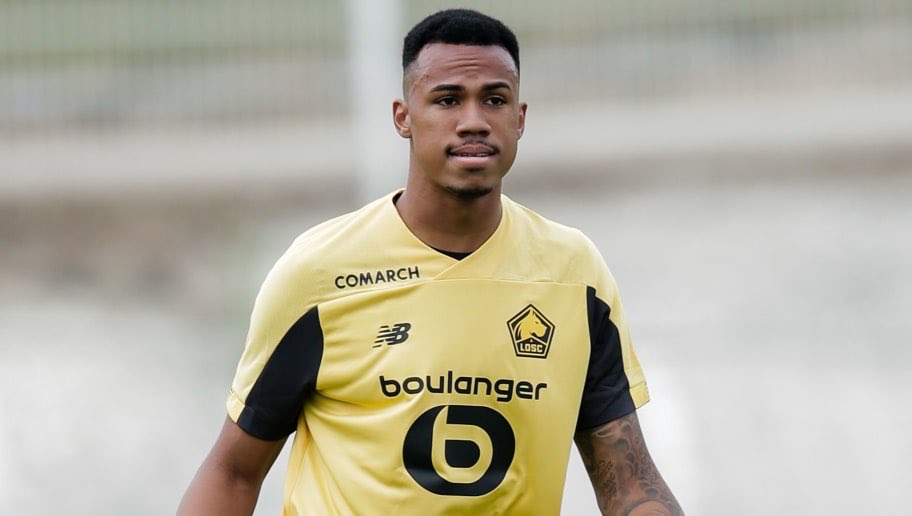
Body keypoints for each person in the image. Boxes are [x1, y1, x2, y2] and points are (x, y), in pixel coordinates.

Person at [178, 8, 682, 516]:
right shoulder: (318, 275)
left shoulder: (574, 274)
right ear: (403, 117)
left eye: (495, 100)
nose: (474, 121)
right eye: (447, 100)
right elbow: (233, 471)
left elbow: (629, 484)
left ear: (520, 118)